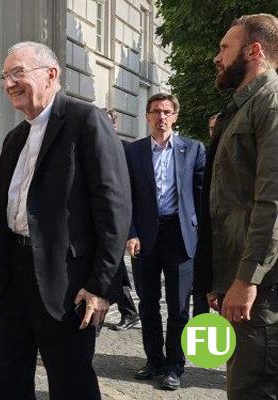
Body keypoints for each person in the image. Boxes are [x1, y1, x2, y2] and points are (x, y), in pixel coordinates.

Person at [0, 42, 131, 400]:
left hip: (66, 281)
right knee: (6, 378)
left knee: (71, 382)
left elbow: (114, 208)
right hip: (15, 272)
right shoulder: (16, 137)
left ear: (51, 75)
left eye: (19, 73)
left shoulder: (85, 121)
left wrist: (101, 284)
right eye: (5, 76)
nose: (10, 83)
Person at [195, 13, 278, 399]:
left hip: (261, 291)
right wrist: (223, 278)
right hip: (242, 284)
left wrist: (245, 281)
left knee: (253, 388)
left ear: (254, 50)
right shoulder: (243, 105)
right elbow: (229, 201)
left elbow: (272, 203)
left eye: (224, 48)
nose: (217, 57)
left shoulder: (271, 103)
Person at [125, 93, 205, 390]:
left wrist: (202, 237)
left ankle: (174, 365)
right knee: (147, 303)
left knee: (179, 306)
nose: (161, 117)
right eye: (156, 111)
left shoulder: (194, 149)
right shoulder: (133, 152)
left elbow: (201, 197)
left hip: (180, 236)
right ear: (147, 116)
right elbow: (126, 197)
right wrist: (130, 232)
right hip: (144, 238)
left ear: (175, 116)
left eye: (167, 111)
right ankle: (154, 360)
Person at [104, 108, 140, 331]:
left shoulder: (127, 150)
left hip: (120, 219)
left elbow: (133, 190)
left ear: (115, 126)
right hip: (99, 219)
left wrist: (131, 231)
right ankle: (128, 311)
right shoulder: (89, 146)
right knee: (112, 266)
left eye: (108, 123)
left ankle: (127, 311)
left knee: (113, 266)